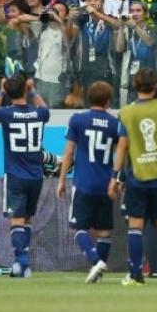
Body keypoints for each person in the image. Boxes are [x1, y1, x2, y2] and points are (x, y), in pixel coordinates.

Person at [109, 67, 157, 286]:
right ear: (156, 86)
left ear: (135, 86)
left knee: (135, 226)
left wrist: (116, 176)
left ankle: (135, 273)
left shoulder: (126, 112)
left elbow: (122, 146)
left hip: (137, 177)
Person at [0, 73, 50, 278]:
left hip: (15, 175)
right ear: (25, 89)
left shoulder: (6, 114)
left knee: (16, 221)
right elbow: (45, 109)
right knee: (27, 220)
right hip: (36, 176)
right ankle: (20, 264)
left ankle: (23, 263)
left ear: (8, 91)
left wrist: (1, 91)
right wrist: (32, 90)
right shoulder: (37, 113)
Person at [58, 81, 120, 284]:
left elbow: (69, 152)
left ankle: (95, 261)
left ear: (88, 99)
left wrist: (61, 179)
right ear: (108, 101)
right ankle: (98, 273)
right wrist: (118, 178)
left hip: (84, 182)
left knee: (77, 229)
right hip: (106, 183)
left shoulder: (78, 120)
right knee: (104, 232)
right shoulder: (114, 123)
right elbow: (121, 153)